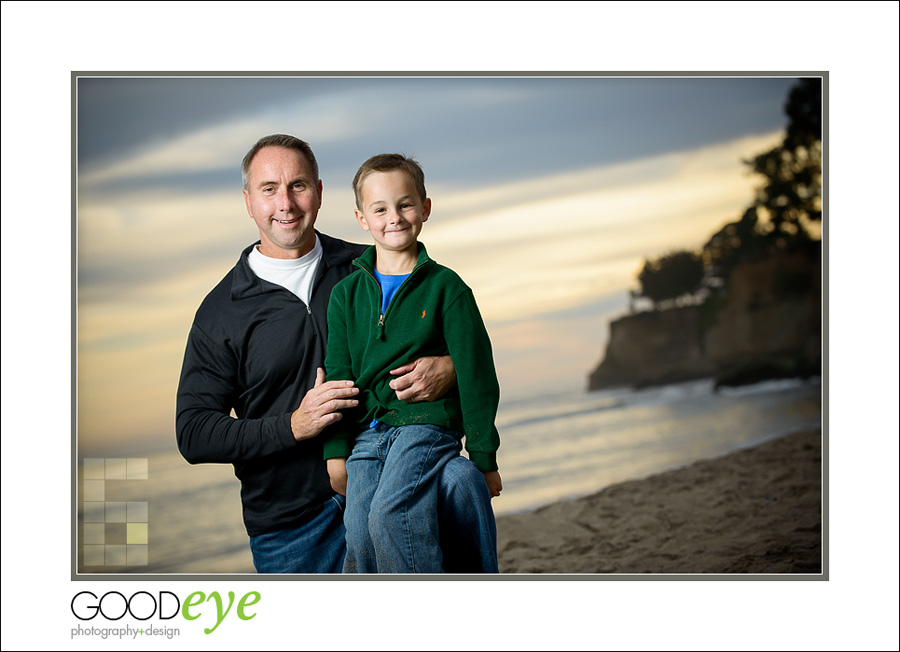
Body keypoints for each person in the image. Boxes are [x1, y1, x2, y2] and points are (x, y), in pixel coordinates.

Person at [176, 135, 497, 574]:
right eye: (269, 189)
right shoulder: (221, 313)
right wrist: (293, 426)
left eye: (299, 185)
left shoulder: (369, 266)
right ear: (249, 201)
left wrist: (450, 367)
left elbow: (461, 339)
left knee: (461, 482)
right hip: (293, 523)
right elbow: (193, 432)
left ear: (320, 192)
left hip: (388, 475)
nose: (285, 203)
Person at [323, 153, 502, 573]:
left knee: (391, 517)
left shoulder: (447, 287)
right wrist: (335, 452)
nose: (395, 217)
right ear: (362, 218)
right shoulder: (346, 296)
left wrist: (484, 458)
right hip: (368, 436)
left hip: (425, 426)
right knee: (361, 533)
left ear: (424, 208)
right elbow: (339, 375)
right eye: (380, 208)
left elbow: (476, 372)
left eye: (405, 204)